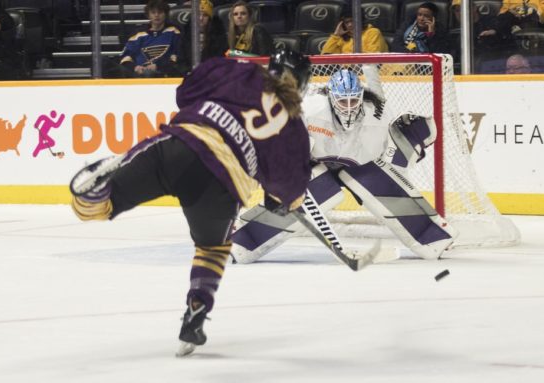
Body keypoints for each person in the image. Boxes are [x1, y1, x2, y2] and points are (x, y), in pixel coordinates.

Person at [69, 49, 312, 356]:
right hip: (220, 185)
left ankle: (96, 189)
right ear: (302, 84)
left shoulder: (241, 72)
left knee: (98, 208)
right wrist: (283, 200)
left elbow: (186, 91)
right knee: (213, 248)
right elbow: (288, 190)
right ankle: (196, 310)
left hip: (181, 147)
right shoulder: (293, 128)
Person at [230, 66, 457, 265]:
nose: (348, 107)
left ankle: (434, 237)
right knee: (323, 195)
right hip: (315, 161)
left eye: (353, 100)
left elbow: (388, 160)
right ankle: (244, 240)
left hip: (355, 163)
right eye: (342, 101)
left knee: (382, 187)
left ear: (361, 96)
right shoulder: (310, 110)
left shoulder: (376, 116)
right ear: (330, 98)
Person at [119, 0, 182, 78]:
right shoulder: (138, 35)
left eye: (160, 12)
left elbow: (178, 56)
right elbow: (125, 57)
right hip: (139, 76)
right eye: (153, 12)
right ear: (148, 15)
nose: (156, 15)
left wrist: (159, 66)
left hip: (165, 74)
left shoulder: (174, 32)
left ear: (165, 14)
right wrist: (134, 67)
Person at [449, 0, 516, 71]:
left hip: (496, 68)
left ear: (474, 8)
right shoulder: (455, 33)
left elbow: (506, 27)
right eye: (457, 11)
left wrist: (495, 31)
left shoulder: (491, 22)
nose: (461, 13)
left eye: (463, 9)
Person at [177, 0, 228, 75]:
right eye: (198, 14)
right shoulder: (185, 35)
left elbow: (220, 60)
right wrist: (187, 72)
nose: (201, 18)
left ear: (210, 19)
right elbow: (180, 61)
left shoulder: (219, 37)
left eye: (205, 15)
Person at [321, 7, 389, 54]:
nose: (350, 25)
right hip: (347, 72)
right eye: (346, 22)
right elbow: (325, 55)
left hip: (372, 72)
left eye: (352, 21)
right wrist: (335, 36)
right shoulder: (342, 38)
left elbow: (372, 57)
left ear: (360, 20)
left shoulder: (373, 32)